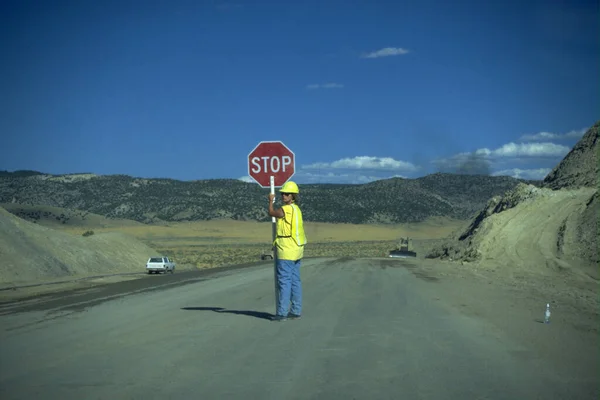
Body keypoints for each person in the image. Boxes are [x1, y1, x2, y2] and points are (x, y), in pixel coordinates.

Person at [268, 181, 307, 322]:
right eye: (283, 193)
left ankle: (282, 313)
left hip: (287, 250)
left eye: (287, 194)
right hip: (297, 248)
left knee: (284, 281)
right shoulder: (297, 209)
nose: (284, 196)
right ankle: (296, 310)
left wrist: (270, 201)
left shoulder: (287, 209)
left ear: (293, 196)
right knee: (295, 280)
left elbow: (271, 213)